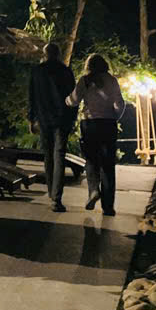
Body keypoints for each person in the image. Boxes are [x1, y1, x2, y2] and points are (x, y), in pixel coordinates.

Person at [66, 53, 125, 216]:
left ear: (89, 66)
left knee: (91, 160)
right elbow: (120, 104)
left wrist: (65, 101)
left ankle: (93, 190)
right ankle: (108, 207)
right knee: (108, 165)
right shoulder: (112, 80)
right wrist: (115, 117)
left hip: (90, 124)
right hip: (108, 124)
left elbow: (74, 100)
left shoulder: (85, 81)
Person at [28, 42, 76, 211]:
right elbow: (73, 97)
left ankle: (51, 191)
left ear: (45, 54)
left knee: (48, 155)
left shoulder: (37, 71)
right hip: (62, 119)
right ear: (58, 54)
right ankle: (57, 197)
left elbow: (31, 96)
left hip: (44, 119)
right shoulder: (66, 71)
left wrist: (31, 119)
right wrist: (73, 119)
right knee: (59, 156)